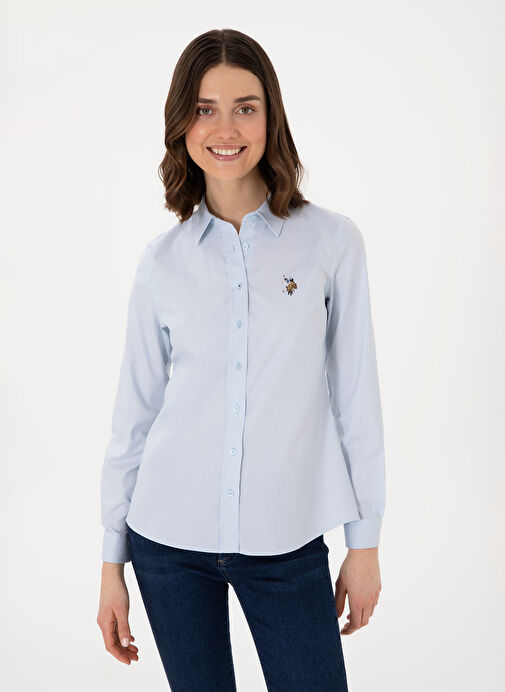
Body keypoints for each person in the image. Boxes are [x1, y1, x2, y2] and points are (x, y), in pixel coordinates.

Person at [96, 28, 386, 691]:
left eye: (245, 107)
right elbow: (133, 419)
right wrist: (112, 561)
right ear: (182, 122)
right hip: (166, 544)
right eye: (204, 109)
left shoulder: (331, 243)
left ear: (270, 117)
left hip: (286, 542)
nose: (224, 129)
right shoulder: (161, 262)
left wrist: (363, 542)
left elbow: (356, 400)